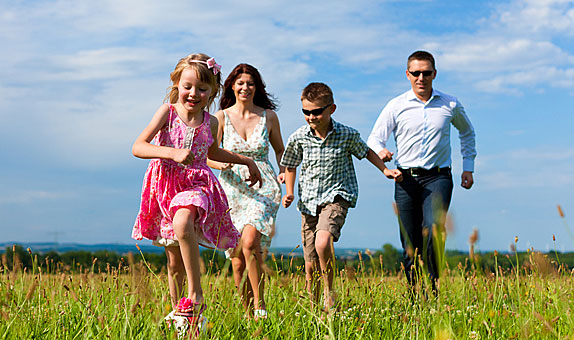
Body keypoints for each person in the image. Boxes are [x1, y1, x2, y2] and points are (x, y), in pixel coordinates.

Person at [131, 53, 262, 335]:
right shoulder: (166, 112)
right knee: (174, 261)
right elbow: (138, 146)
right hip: (164, 188)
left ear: (213, 92)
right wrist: (172, 153)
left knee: (183, 223)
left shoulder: (210, 122)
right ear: (176, 82)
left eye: (202, 89)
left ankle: (196, 294)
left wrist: (246, 160)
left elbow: (212, 152)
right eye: (188, 86)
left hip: (197, 185)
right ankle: (182, 313)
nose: (194, 94)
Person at [281, 82, 402, 309]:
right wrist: (289, 192)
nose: (311, 117)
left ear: (331, 109)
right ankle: (313, 306)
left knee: (323, 241)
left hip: (337, 196)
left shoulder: (346, 134)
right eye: (306, 112)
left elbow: (366, 152)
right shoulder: (298, 137)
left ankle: (329, 292)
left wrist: (385, 170)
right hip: (307, 203)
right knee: (310, 263)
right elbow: (290, 165)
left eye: (316, 112)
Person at [367, 50, 477, 293]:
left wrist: (468, 167)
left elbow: (467, 132)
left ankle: (434, 291)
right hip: (405, 179)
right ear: (407, 74)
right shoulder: (396, 105)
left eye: (426, 73)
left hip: (438, 177)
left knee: (434, 231)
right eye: (415, 73)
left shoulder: (450, 103)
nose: (421, 78)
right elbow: (374, 139)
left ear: (434, 74)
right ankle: (416, 298)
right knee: (410, 243)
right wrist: (382, 150)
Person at [207, 63, 285, 320]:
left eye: (250, 83)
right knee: (238, 257)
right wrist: (222, 164)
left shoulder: (269, 117)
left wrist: (285, 172)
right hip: (231, 188)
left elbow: (280, 151)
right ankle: (247, 315)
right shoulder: (220, 117)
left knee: (251, 243)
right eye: (240, 83)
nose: (245, 88)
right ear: (232, 85)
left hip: (263, 186)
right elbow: (207, 155)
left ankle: (260, 307)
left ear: (257, 87)